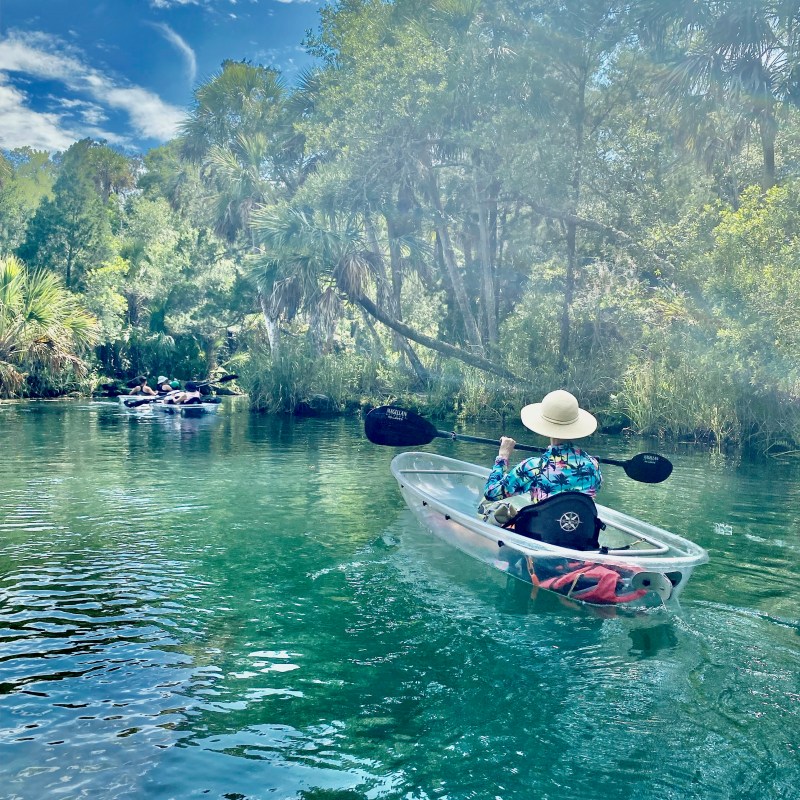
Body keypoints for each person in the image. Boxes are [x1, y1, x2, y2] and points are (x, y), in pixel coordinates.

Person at [479, 389, 602, 523]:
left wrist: (502, 457)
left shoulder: (533, 467)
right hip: (579, 537)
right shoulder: (593, 466)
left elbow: (491, 493)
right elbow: (595, 486)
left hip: (541, 536)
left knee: (487, 507)